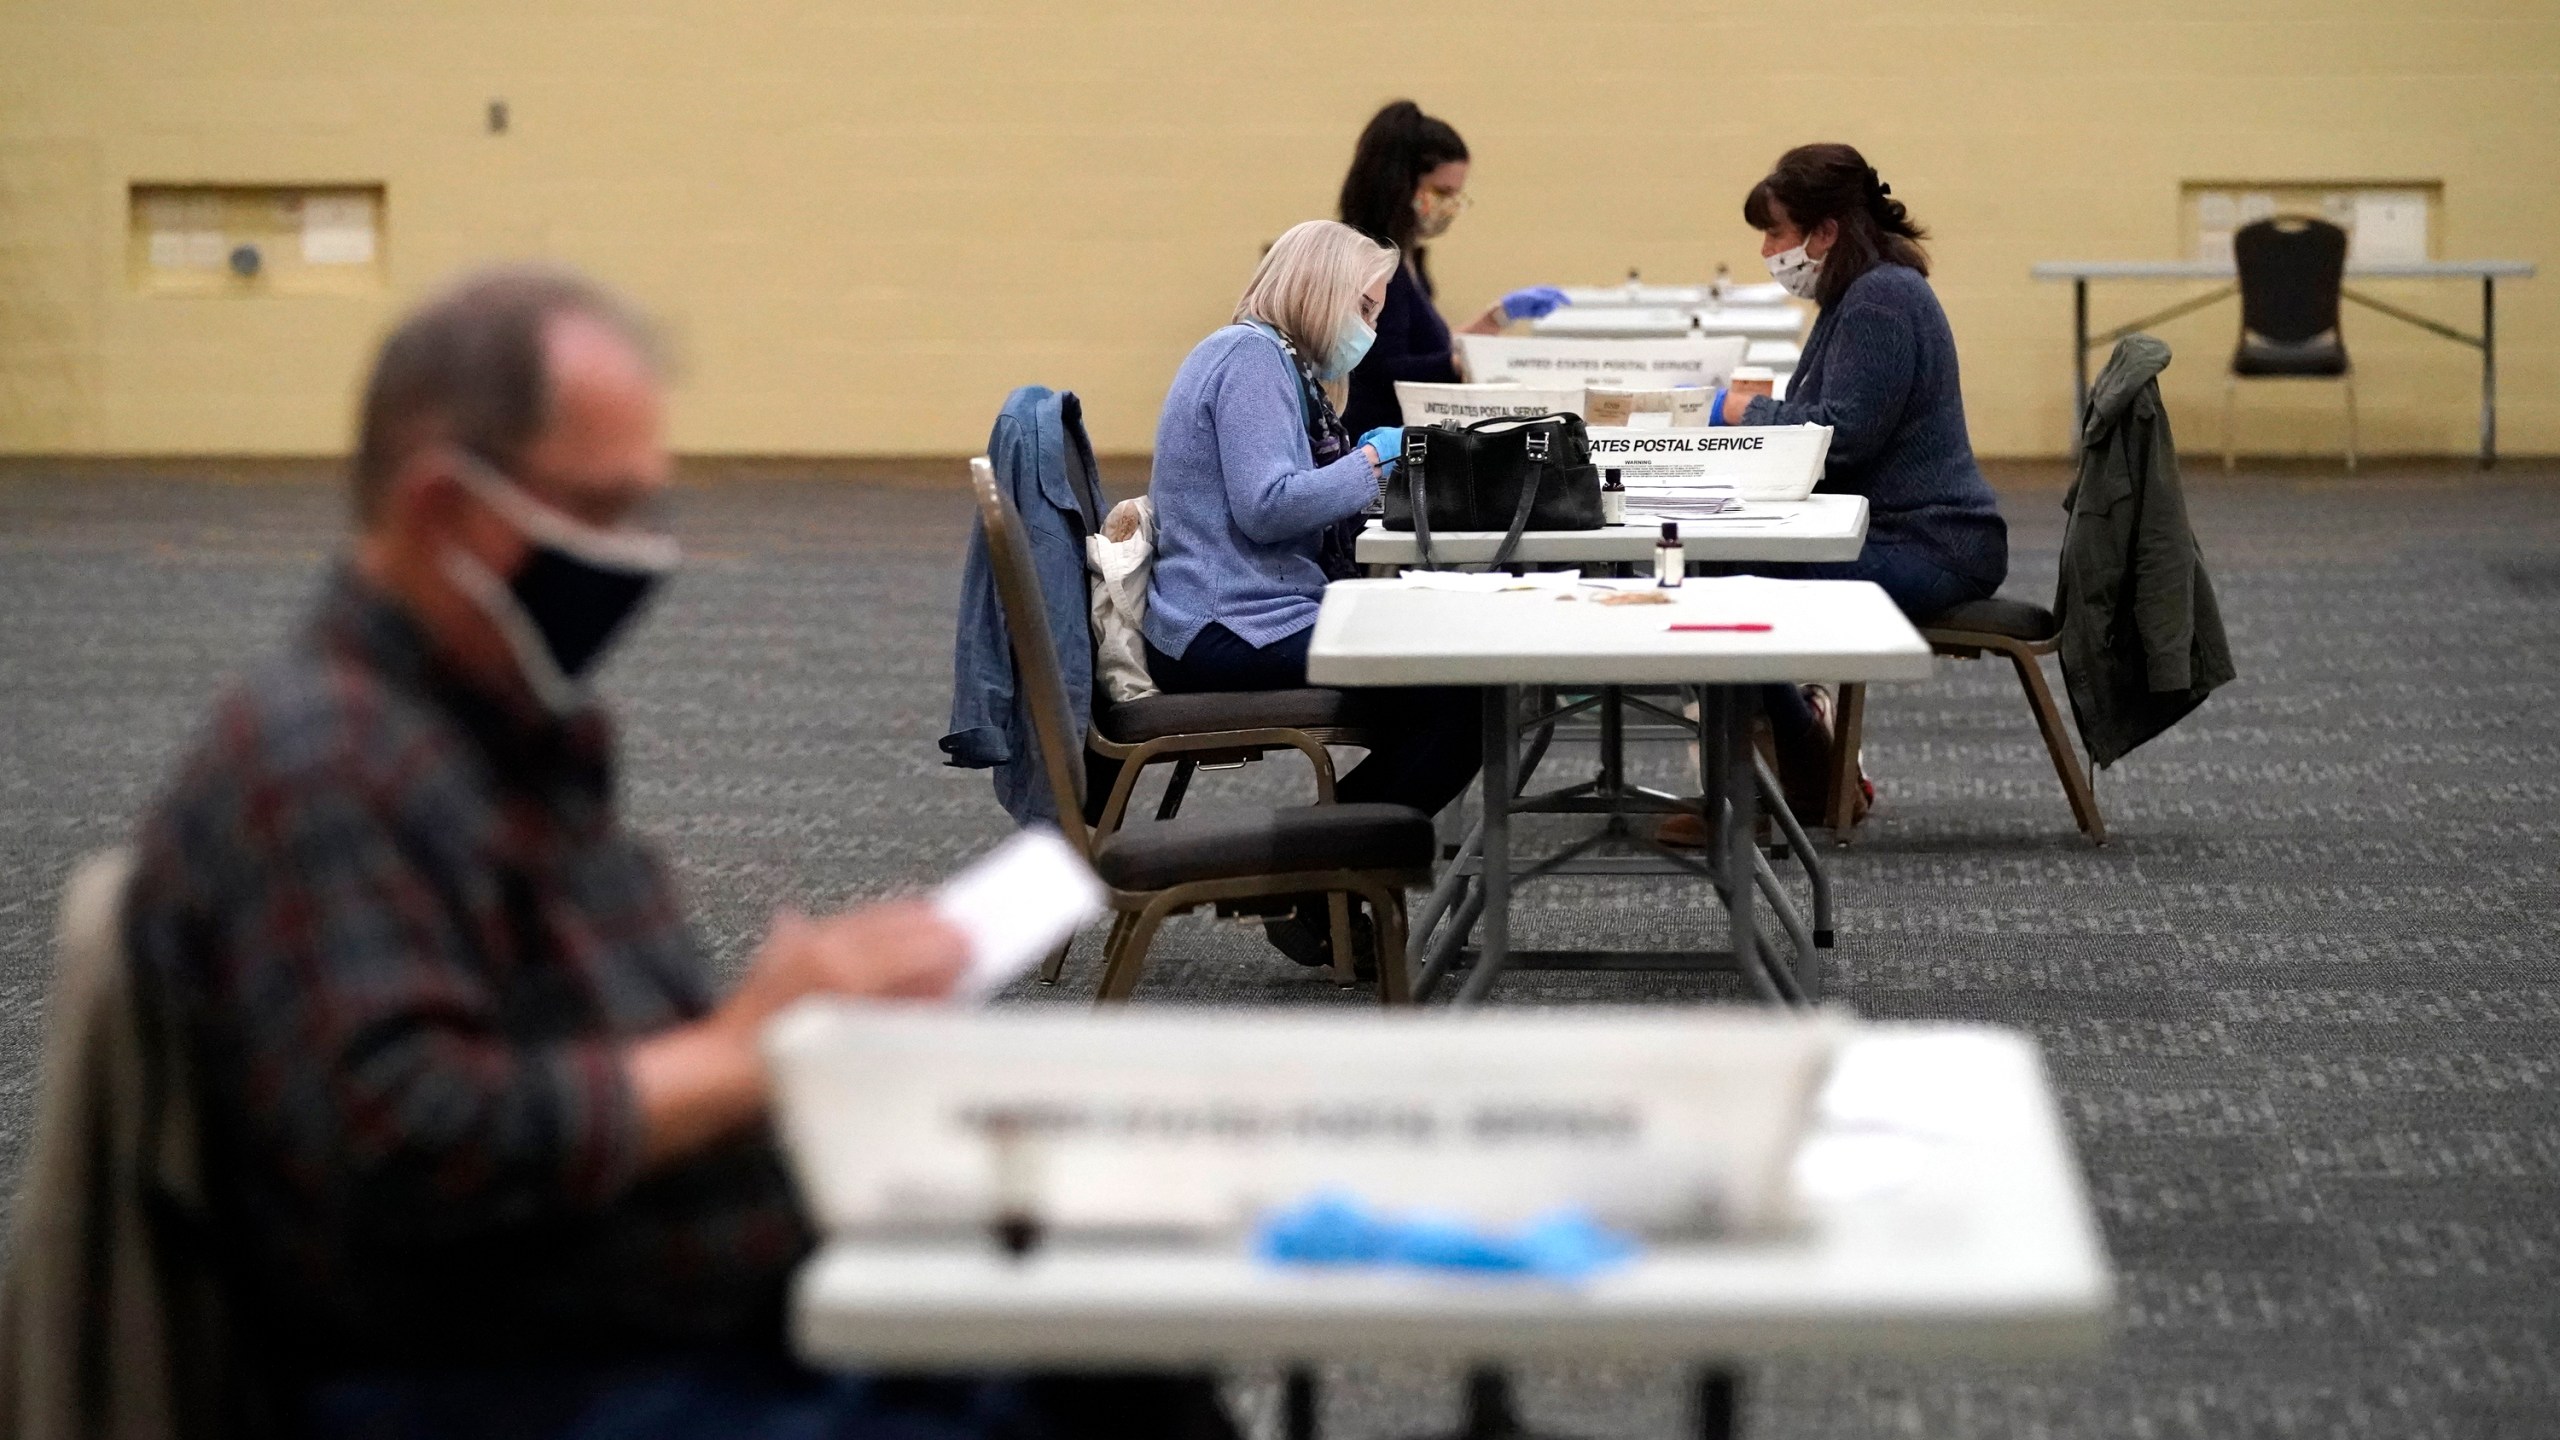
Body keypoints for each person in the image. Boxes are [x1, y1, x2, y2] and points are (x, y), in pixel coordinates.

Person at [120, 266, 1238, 1440]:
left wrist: (810, 1021)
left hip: (660, 1314)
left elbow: (624, 1057)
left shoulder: (490, 725)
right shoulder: (324, 762)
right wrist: (750, 1047)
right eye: (600, 513)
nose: (638, 558)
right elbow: (408, 1140)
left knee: (1119, 1342)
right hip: (514, 1375)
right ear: (444, 513)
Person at [1142, 220, 1481, 969]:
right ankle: (1302, 879)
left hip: (1255, 609)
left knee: (1445, 684)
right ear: (1319, 292)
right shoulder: (1248, 358)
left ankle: (1323, 892)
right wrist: (1372, 461)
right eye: (1363, 308)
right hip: (1227, 624)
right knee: (1459, 698)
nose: (1370, 327)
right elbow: (1269, 504)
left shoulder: (1277, 364)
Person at [1691, 144, 2010, 829]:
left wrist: (1747, 413)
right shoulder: (1859, 293)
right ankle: (1796, 764)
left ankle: (1793, 766)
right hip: (1901, 528)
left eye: (1776, 232)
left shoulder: (1881, 298)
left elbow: (1846, 435)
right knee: (1715, 564)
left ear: (1825, 231)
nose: (1768, 250)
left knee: (1718, 572)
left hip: (1935, 541)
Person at [1334, 100, 1570, 436]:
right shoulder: (1371, 260)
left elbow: (1431, 351)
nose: (1450, 205)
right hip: (1374, 440)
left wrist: (1496, 317)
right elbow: (1383, 368)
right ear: (1400, 184)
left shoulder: (1409, 260)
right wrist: (1478, 363)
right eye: (1442, 191)